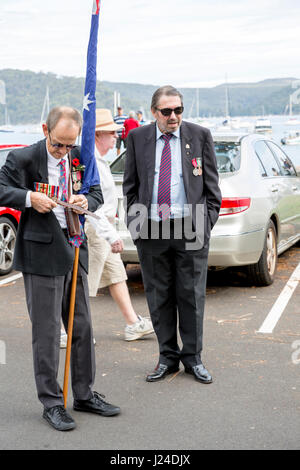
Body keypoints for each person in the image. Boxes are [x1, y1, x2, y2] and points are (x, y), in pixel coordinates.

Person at [0, 106, 121, 432]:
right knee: (48, 333)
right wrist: (28, 198)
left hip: (75, 248)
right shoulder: (23, 158)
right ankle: (52, 403)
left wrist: (87, 202)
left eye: (69, 145)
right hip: (41, 255)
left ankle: (83, 394)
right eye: (58, 145)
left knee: (81, 327)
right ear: (45, 130)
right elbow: (0, 188)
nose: (64, 152)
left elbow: (95, 192)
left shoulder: (80, 156)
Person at [123, 85, 222, 383]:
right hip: (151, 227)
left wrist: (205, 224)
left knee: (191, 295)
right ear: (154, 112)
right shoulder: (137, 137)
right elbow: (130, 185)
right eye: (167, 111)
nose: (173, 116)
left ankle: (193, 358)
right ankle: (167, 357)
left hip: (190, 225)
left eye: (178, 110)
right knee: (159, 295)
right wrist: (135, 225)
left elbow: (212, 188)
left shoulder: (199, 135)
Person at [85, 108, 154, 341]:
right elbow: (91, 206)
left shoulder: (99, 159)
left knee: (116, 275)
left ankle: (133, 323)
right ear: (97, 135)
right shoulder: (90, 161)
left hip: (104, 227)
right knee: (84, 282)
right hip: (95, 228)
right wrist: (110, 235)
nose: (117, 136)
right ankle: (69, 330)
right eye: (111, 133)